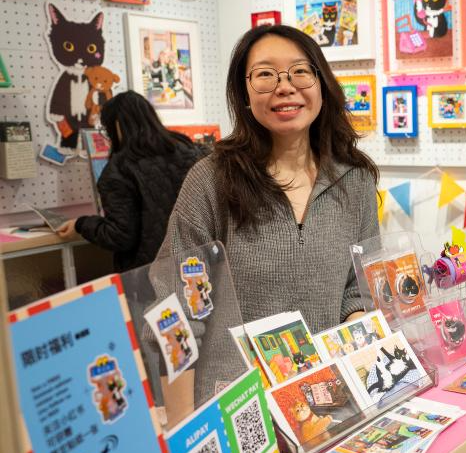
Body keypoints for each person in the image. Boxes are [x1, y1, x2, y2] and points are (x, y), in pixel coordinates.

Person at [157, 24, 380, 335]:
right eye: (265, 74)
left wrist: (359, 333)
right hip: (238, 383)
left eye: (300, 71)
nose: (285, 86)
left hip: (328, 380)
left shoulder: (355, 179)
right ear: (244, 94)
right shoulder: (212, 179)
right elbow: (177, 306)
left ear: (321, 84)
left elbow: (361, 286)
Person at [56, 92, 205, 272]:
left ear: (116, 126)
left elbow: (119, 235)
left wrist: (81, 224)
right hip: (198, 266)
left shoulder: (120, 169)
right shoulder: (193, 152)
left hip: (148, 276)